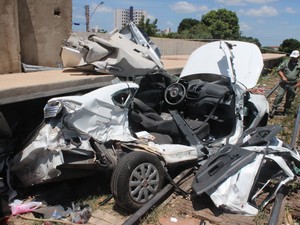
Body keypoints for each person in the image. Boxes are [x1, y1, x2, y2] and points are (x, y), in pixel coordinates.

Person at [269, 50, 300, 118]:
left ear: (298, 57)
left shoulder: (299, 64)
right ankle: (274, 108)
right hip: (284, 83)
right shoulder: (286, 62)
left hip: (293, 84)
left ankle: (286, 110)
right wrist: (283, 77)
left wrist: (298, 83)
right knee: (279, 96)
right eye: (292, 57)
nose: (293, 58)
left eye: (295, 57)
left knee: (290, 98)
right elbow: (279, 69)